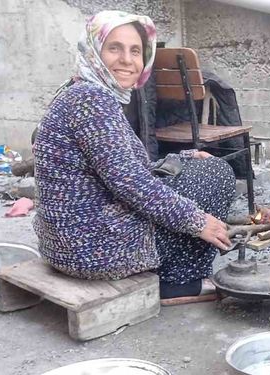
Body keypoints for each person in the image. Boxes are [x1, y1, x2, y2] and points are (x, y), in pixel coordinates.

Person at [33, 10, 235, 303]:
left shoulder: (78, 90)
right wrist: (198, 221)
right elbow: (131, 184)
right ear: (94, 51)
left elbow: (119, 169)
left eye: (136, 51)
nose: (127, 60)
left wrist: (186, 157)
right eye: (114, 48)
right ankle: (177, 281)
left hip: (69, 243)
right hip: (92, 250)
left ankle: (176, 268)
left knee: (199, 165)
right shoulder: (92, 99)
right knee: (216, 175)